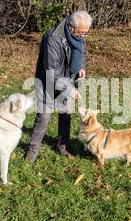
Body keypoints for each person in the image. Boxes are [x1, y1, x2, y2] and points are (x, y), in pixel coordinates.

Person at [25, 10, 92, 163]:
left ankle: (63, 145)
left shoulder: (79, 36)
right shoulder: (53, 38)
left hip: (68, 79)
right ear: (70, 26)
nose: (83, 36)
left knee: (65, 114)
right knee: (44, 116)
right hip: (47, 80)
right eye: (81, 32)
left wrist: (81, 68)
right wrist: (69, 88)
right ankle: (33, 148)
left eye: (86, 33)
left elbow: (82, 53)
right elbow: (51, 71)